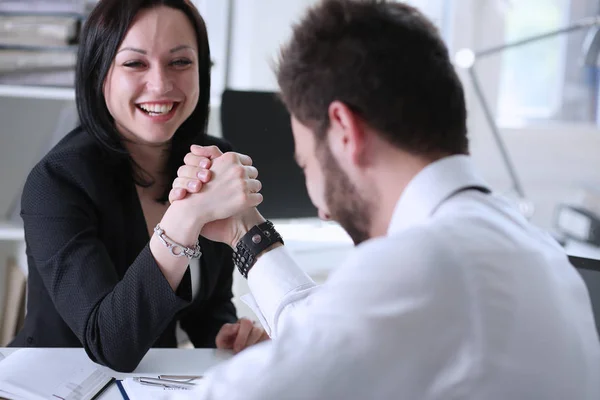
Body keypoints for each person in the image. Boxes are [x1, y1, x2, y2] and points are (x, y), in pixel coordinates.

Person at [168, 0, 600, 398]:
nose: (322, 208)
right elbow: (326, 325)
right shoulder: (534, 248)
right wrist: (246, 232)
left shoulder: (426, 264)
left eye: (307, 165)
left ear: (345, 131)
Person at [9, 0, 268, 372]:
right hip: (56, 384)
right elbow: (109, 343)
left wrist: (224, 335)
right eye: (134, 63)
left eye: (180, 62)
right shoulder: (57, 182)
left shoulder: (211, 158)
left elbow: (207, 303)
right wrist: (186, 218)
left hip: (149, 383)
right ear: (100, 73)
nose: (161, 84)